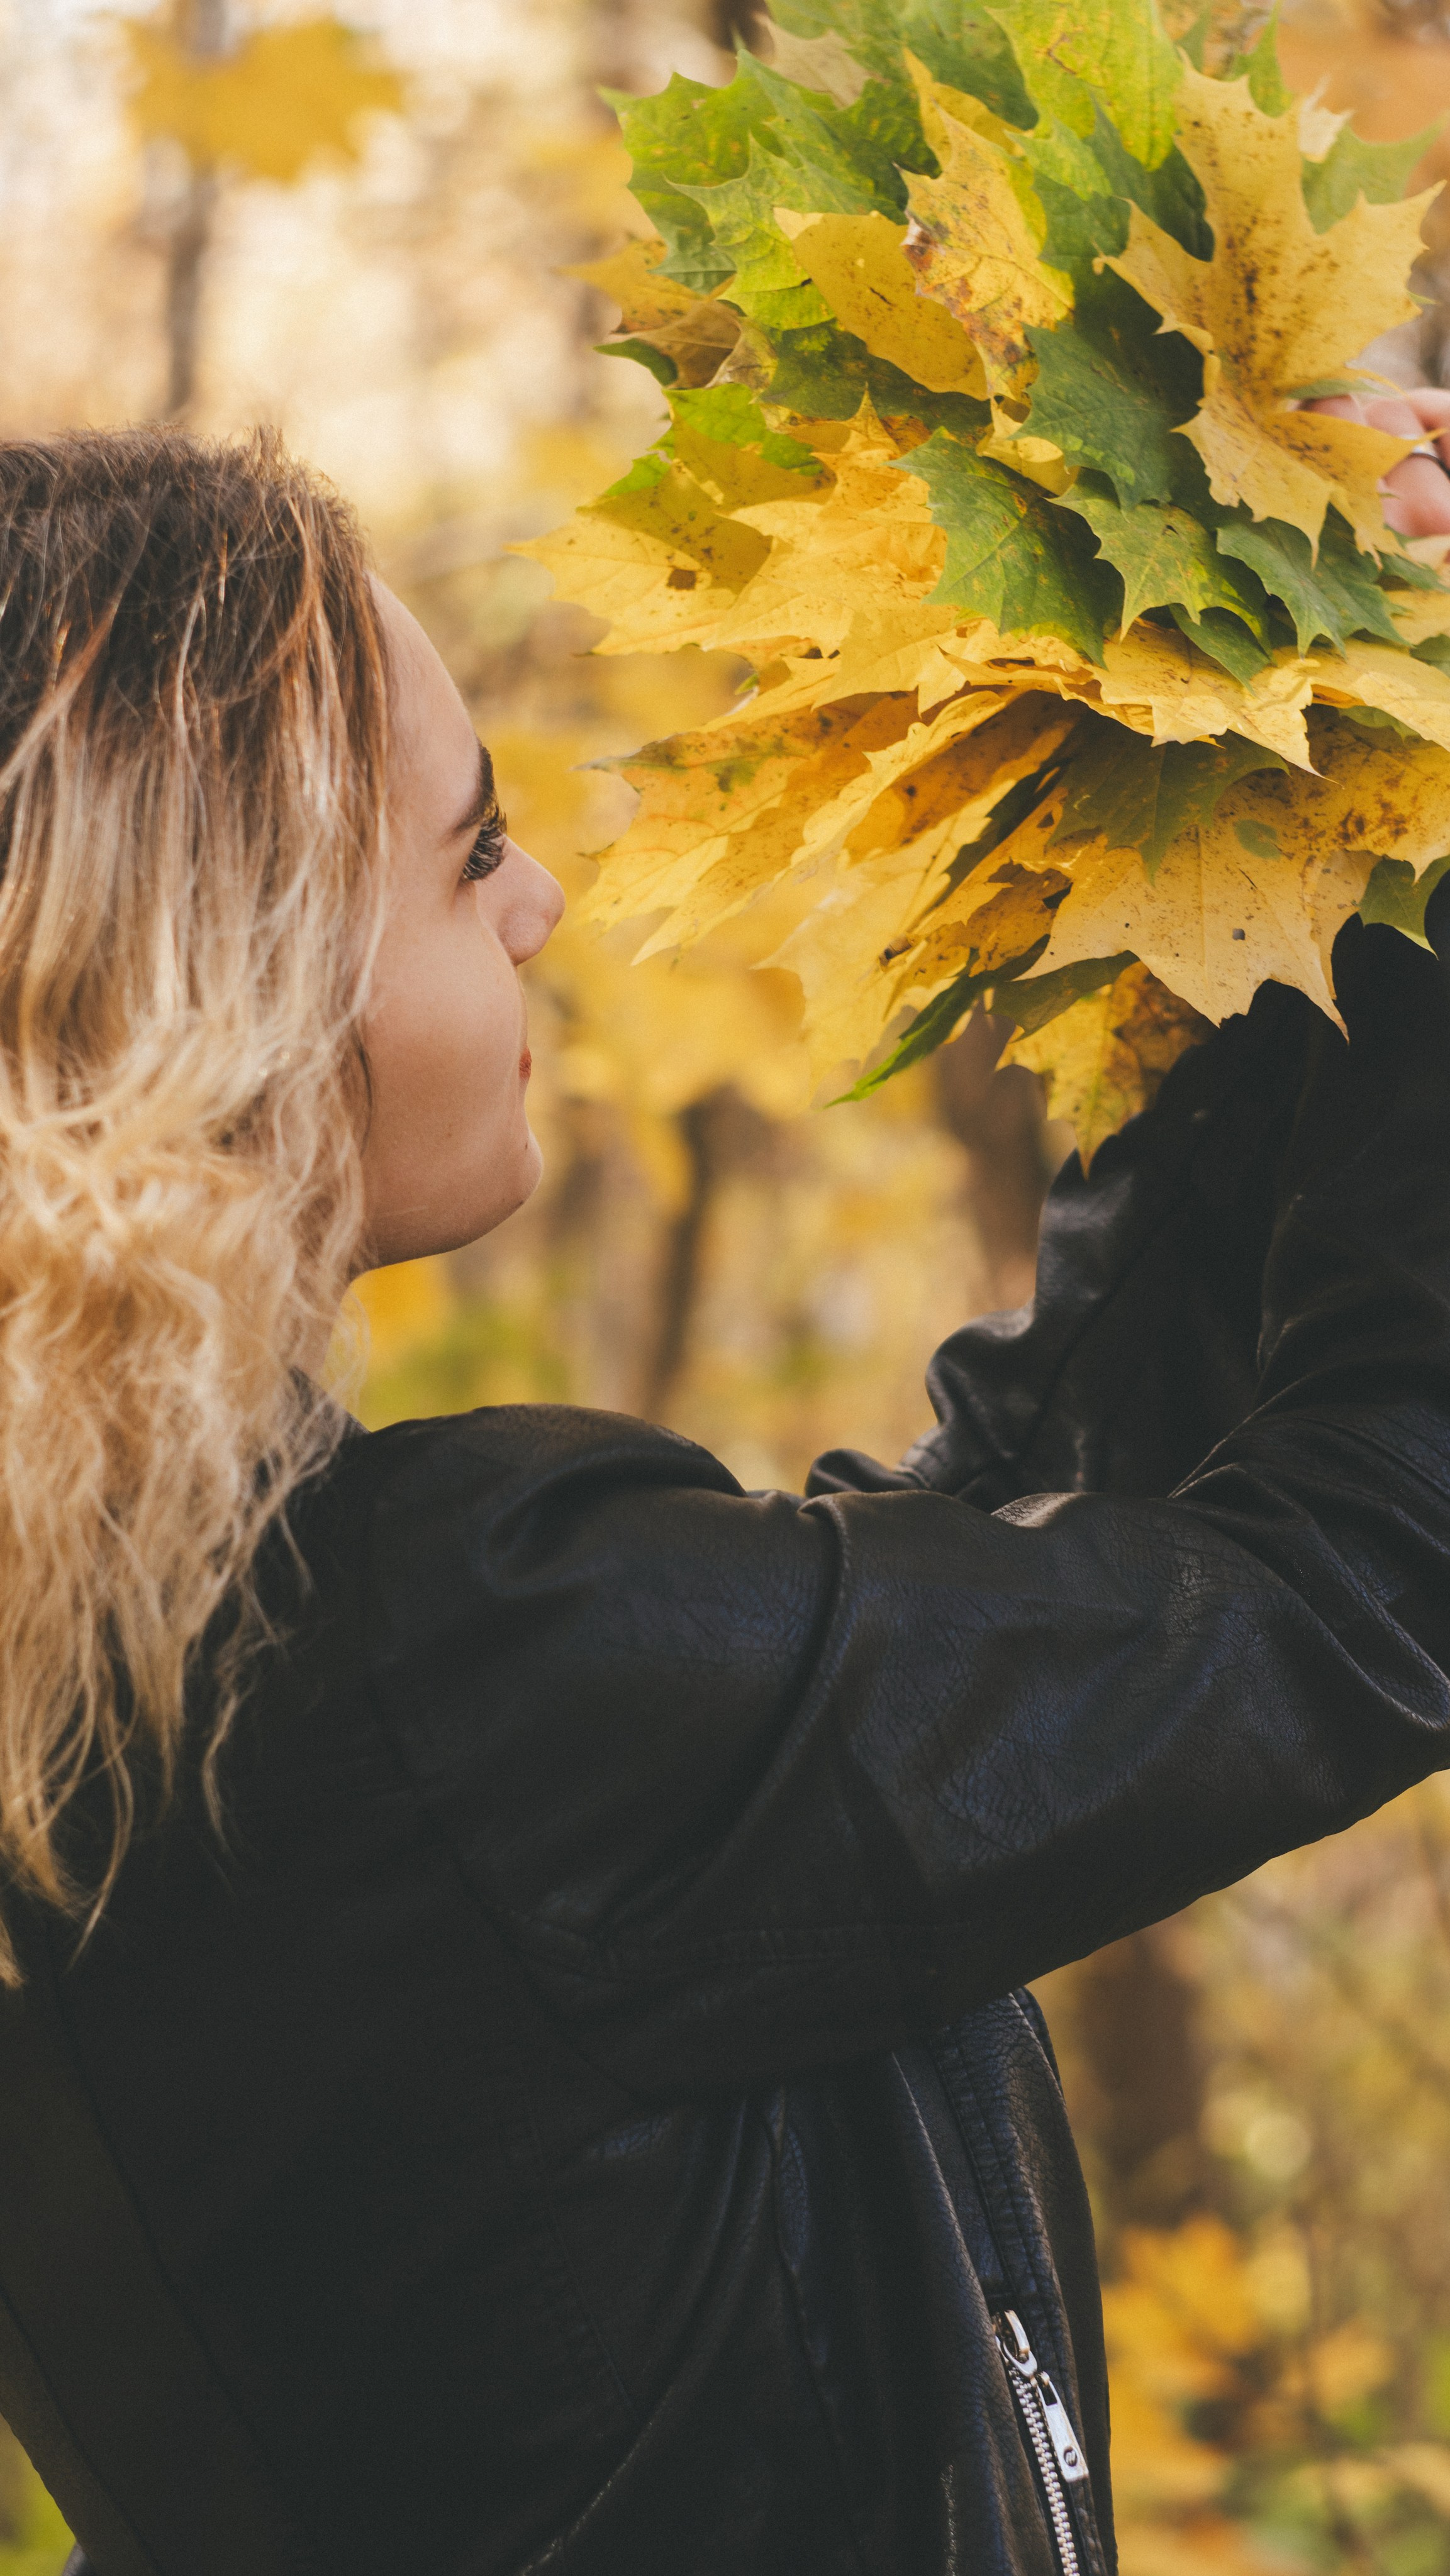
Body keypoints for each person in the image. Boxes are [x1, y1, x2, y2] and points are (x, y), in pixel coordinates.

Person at [1, 421, 1450, 2576]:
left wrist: (1254, 885)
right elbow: (1361, 1581)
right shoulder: (449, 1669)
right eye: (467, 849)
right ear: (233, 967)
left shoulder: (196, 1680)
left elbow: (954, 1593)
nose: (541, 898)